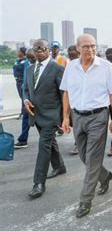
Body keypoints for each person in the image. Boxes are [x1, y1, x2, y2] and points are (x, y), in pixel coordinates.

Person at [60, 34, 112, 218]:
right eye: (86, 46)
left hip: (98, 117)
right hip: (78, 117)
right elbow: (67, 93)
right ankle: (105, 176)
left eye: (93, 46)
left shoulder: (106, 67)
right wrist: (65, 118)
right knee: (84, 157)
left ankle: (85, 200)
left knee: (92, 158)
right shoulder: (71, 67)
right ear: (78, 48)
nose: (91, 50)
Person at [23, 39, 65, 198]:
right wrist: (26, 100)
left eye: (42, 48)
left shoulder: (57, 69)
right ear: (33, 51)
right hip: (35, 114)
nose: (39, 51)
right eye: (36, 49)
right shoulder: (29, 69)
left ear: (48, 50)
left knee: (44, 145)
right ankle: (59, 166)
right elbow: (26, 90)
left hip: (51, 114)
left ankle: (38, 183)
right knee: (50, 142)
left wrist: (64, 118)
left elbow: (63, 95)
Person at [14, 48, 35, 149]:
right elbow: (26, 81)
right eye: (29, 58)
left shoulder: (47, 66)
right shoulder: (27, 64)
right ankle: (23, 140)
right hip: (28, 95)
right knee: (26, 114)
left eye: (32, 58)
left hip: (41, 99)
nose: (30, 60)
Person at [66, 45, 80, 155]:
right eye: (69, 51)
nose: (71, 53)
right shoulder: (68, 65)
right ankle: (78, 142)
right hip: (72, 101)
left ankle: (78, 144)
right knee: (75, 124)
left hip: (84, 102)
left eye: (73, 51)